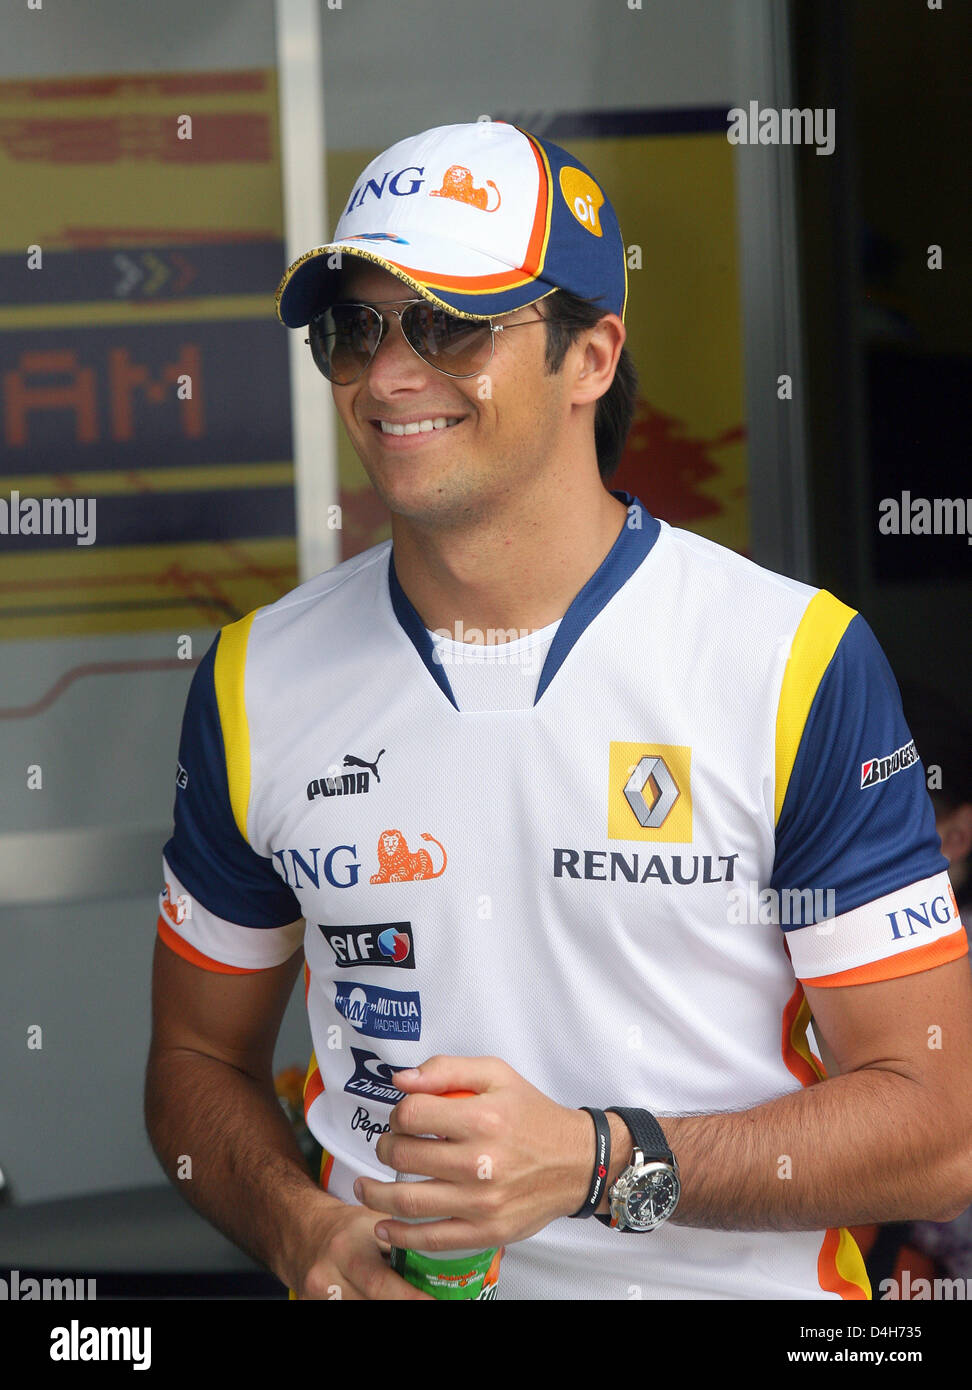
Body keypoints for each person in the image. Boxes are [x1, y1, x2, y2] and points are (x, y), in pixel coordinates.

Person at [145, 121, 972, 1301]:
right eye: (354, 330)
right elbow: (193, 1060)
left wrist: (599, 1162)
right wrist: (297, 1229)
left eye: (450, 325)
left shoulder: (793, 661)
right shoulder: (254, 678)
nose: (388, 376)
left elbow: (938, 1129)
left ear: (591, 356)